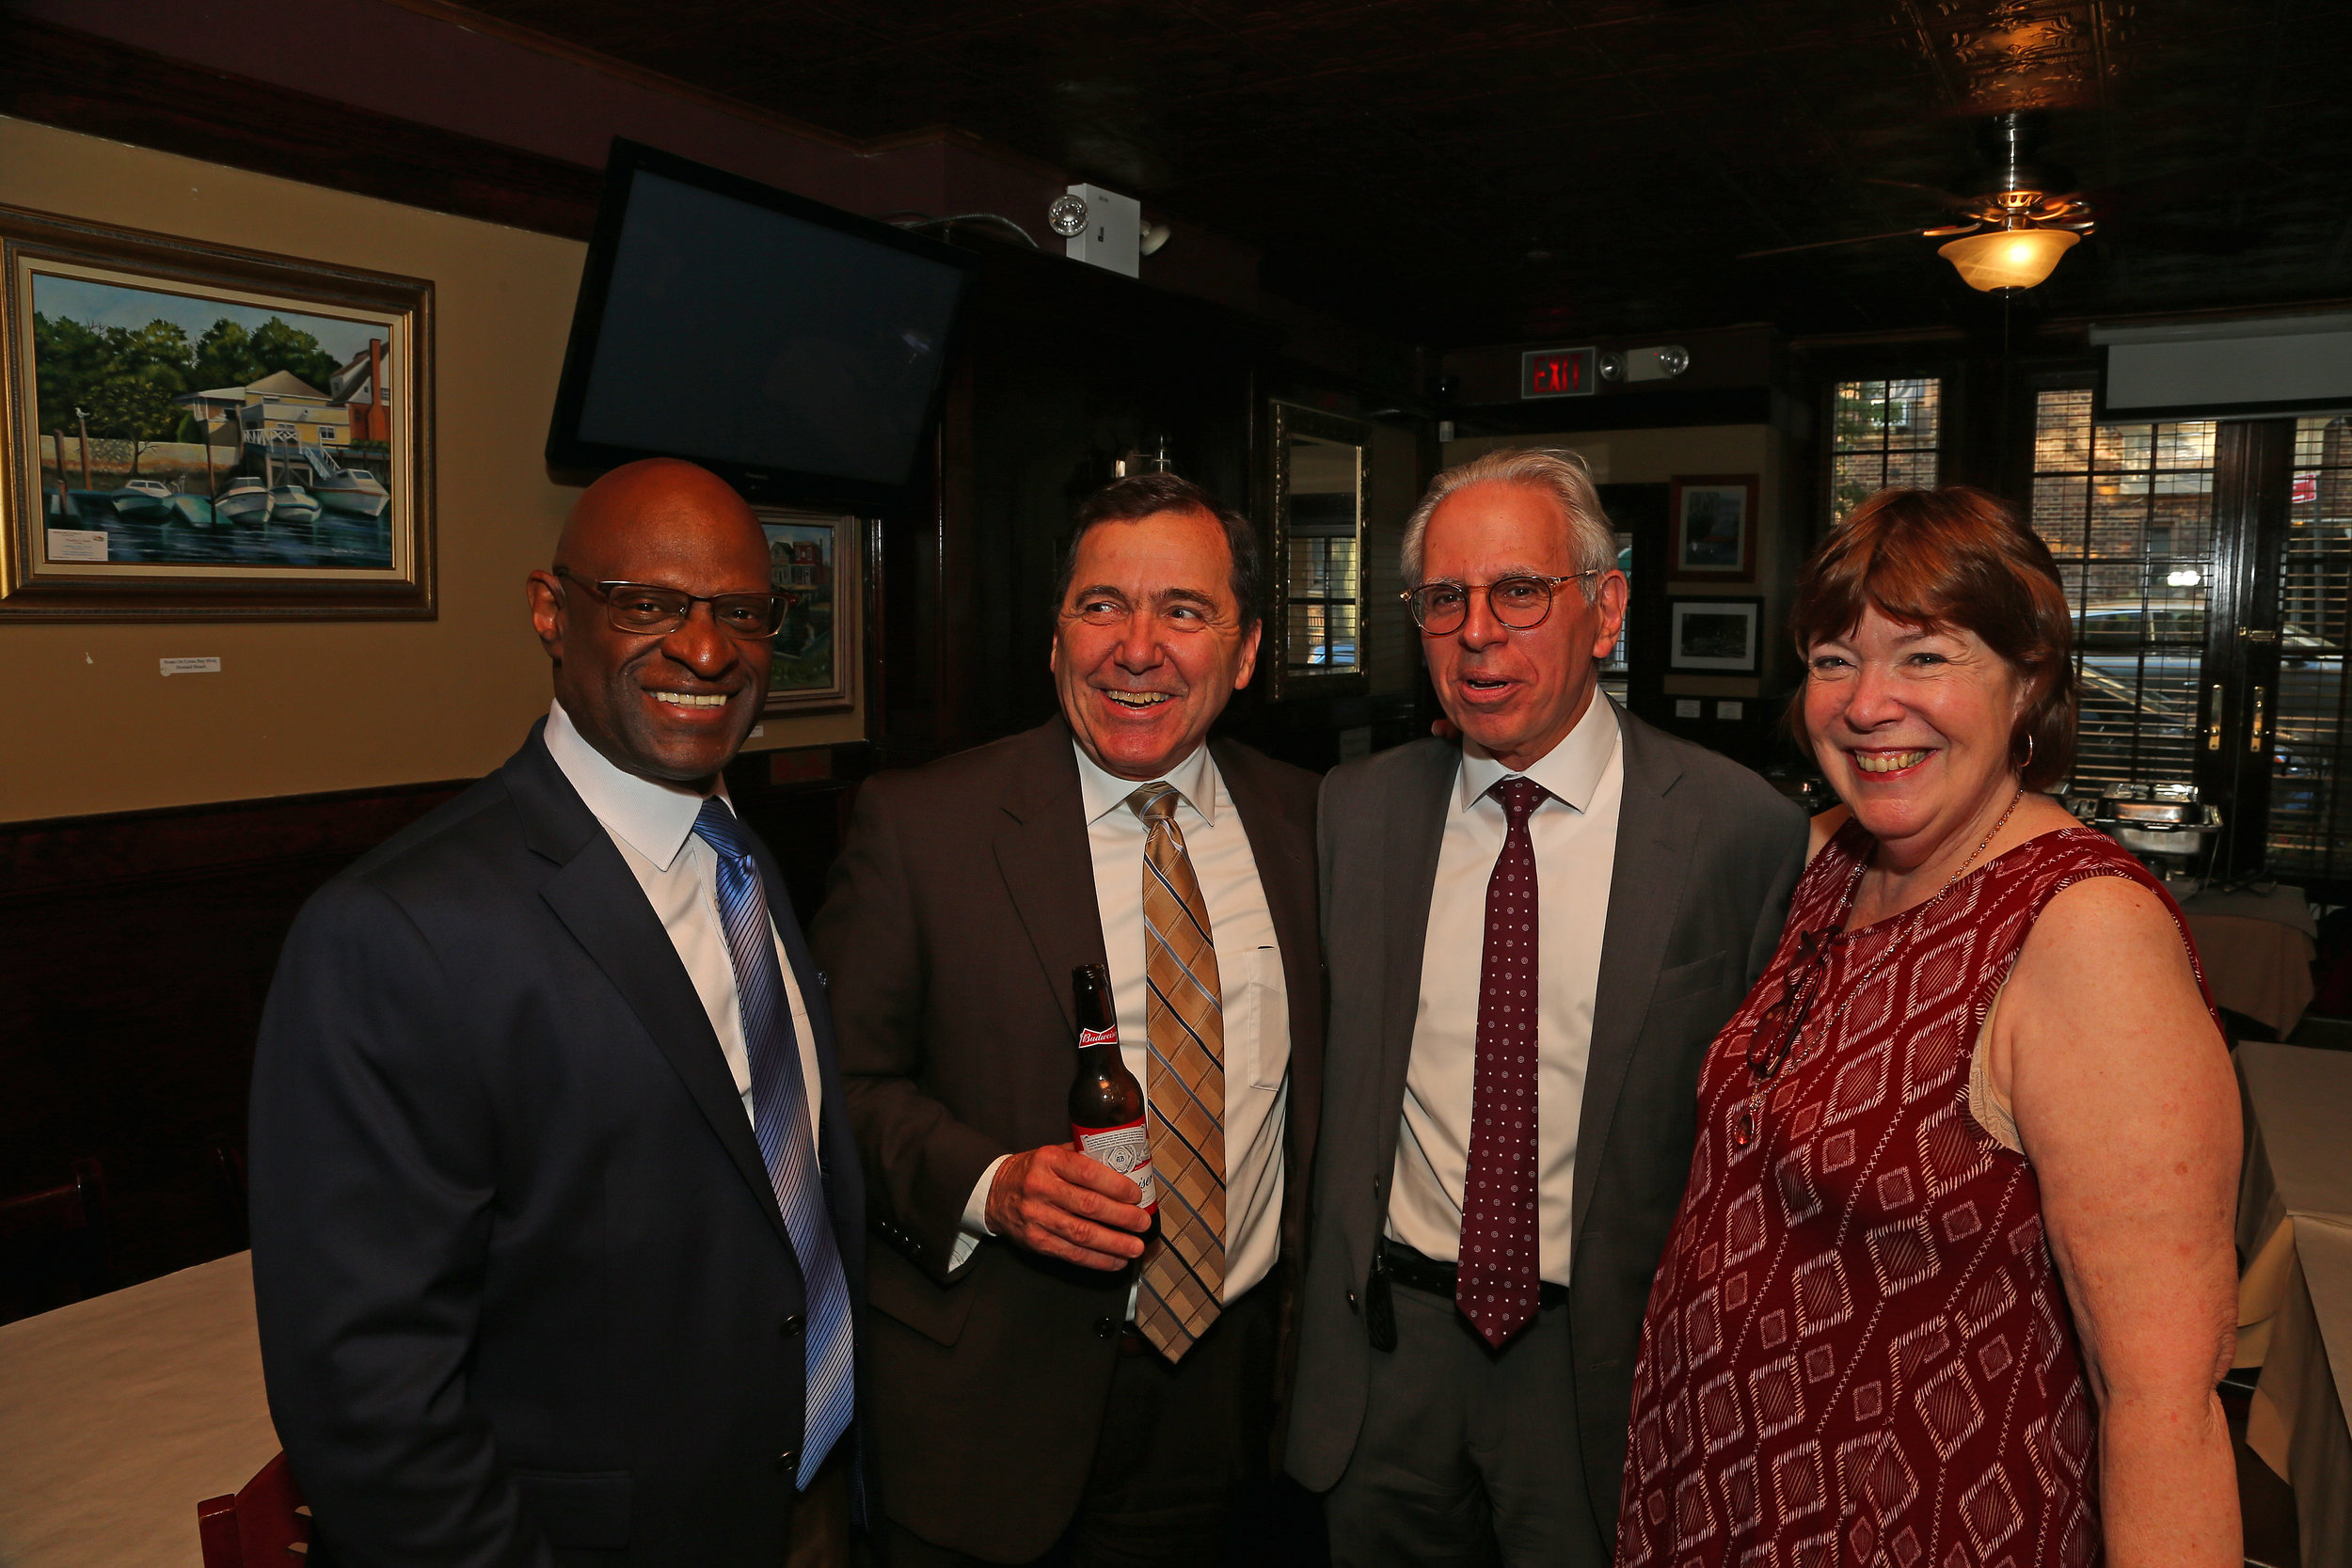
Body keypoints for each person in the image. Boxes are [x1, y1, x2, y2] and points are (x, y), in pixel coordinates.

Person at [250, 457, 865, 1566]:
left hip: (810, 1509)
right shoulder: (398, 930)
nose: (706, 649)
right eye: (647, 604)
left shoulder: (742, 856)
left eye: (741, 613)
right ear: (550, 611)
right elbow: (372, 1405)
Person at [1615, 485, 2242, 1568]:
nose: (1865, 704)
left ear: (2028, 680)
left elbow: (2160, 1400)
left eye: (1925, 657)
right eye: (1831, 659)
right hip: (1719, 1497)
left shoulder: (2084, 931)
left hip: (1921, 1521)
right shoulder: (1826, 861)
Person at [1287, 448, 1809, 1566]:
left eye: (1519, 591)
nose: (1478, 631)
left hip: (1606, 1359)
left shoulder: (1738, 828)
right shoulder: (1357, 811)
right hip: (1388, 1354)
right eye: (1444, 598)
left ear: (1604, 606)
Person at [813, 473, 1322, 1566]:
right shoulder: (921, 827)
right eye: (1101, 606)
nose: (1135, 648)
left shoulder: (1315, 824)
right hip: (989, 1409)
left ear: (1242, 652)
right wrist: (990, 1185)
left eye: (1183, 610)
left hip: (1236, 1409)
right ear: (1055, 640)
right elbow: (832, 1089)